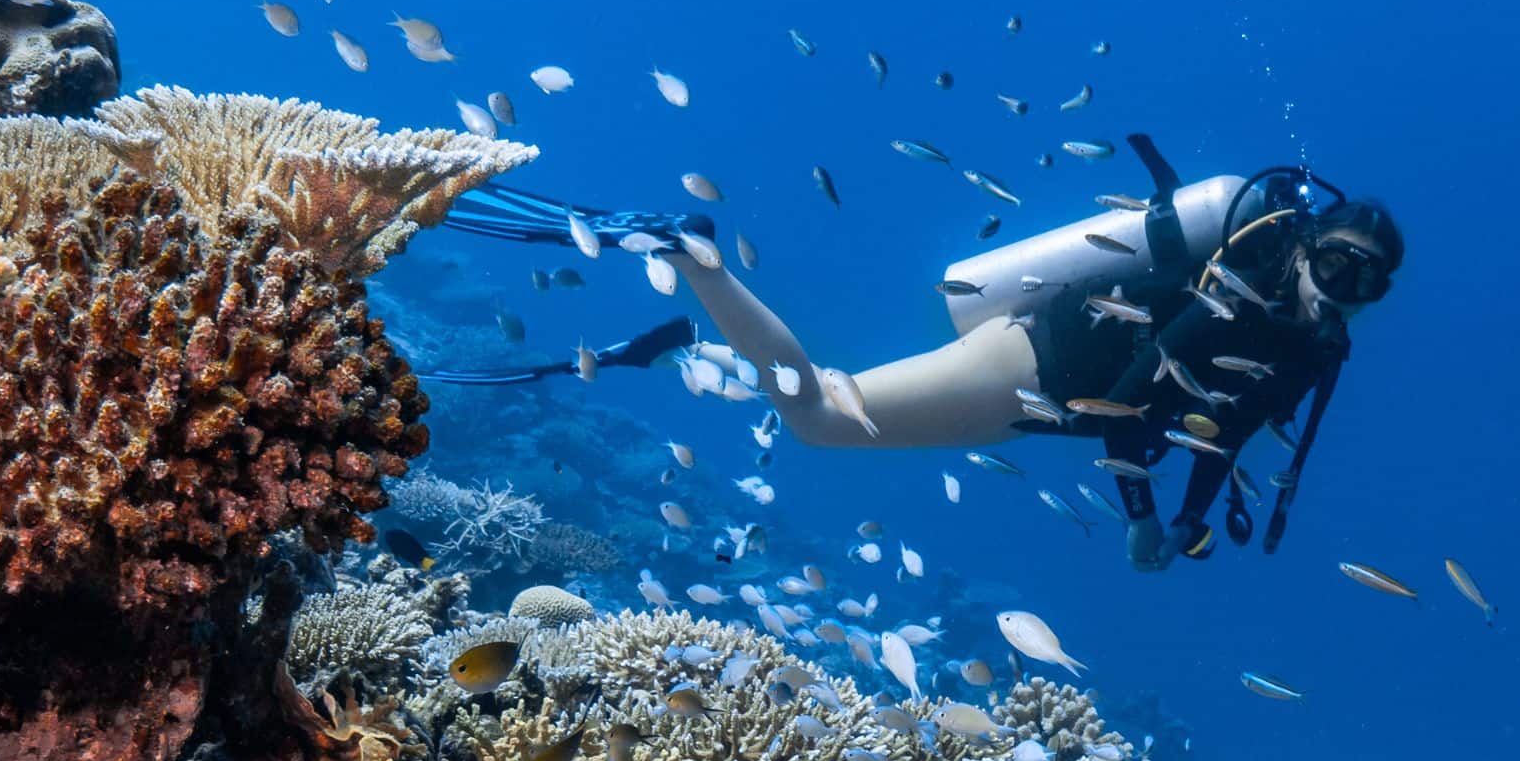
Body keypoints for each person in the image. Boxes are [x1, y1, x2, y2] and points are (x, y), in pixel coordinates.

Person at [432, 136, 1403, 570]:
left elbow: (1218, 432)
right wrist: (1145, 521)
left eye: (1366, 285)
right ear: (1310, 243)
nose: (1343, 292)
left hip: (1053, 388)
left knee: (819, 413)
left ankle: (690, 329)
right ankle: (696, 266)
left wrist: (1191, 515)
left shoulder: (1309, 349)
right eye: (1339, 266)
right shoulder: (1245, 292)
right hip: (1038, 365)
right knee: (824, 417)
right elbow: (1140, 390)